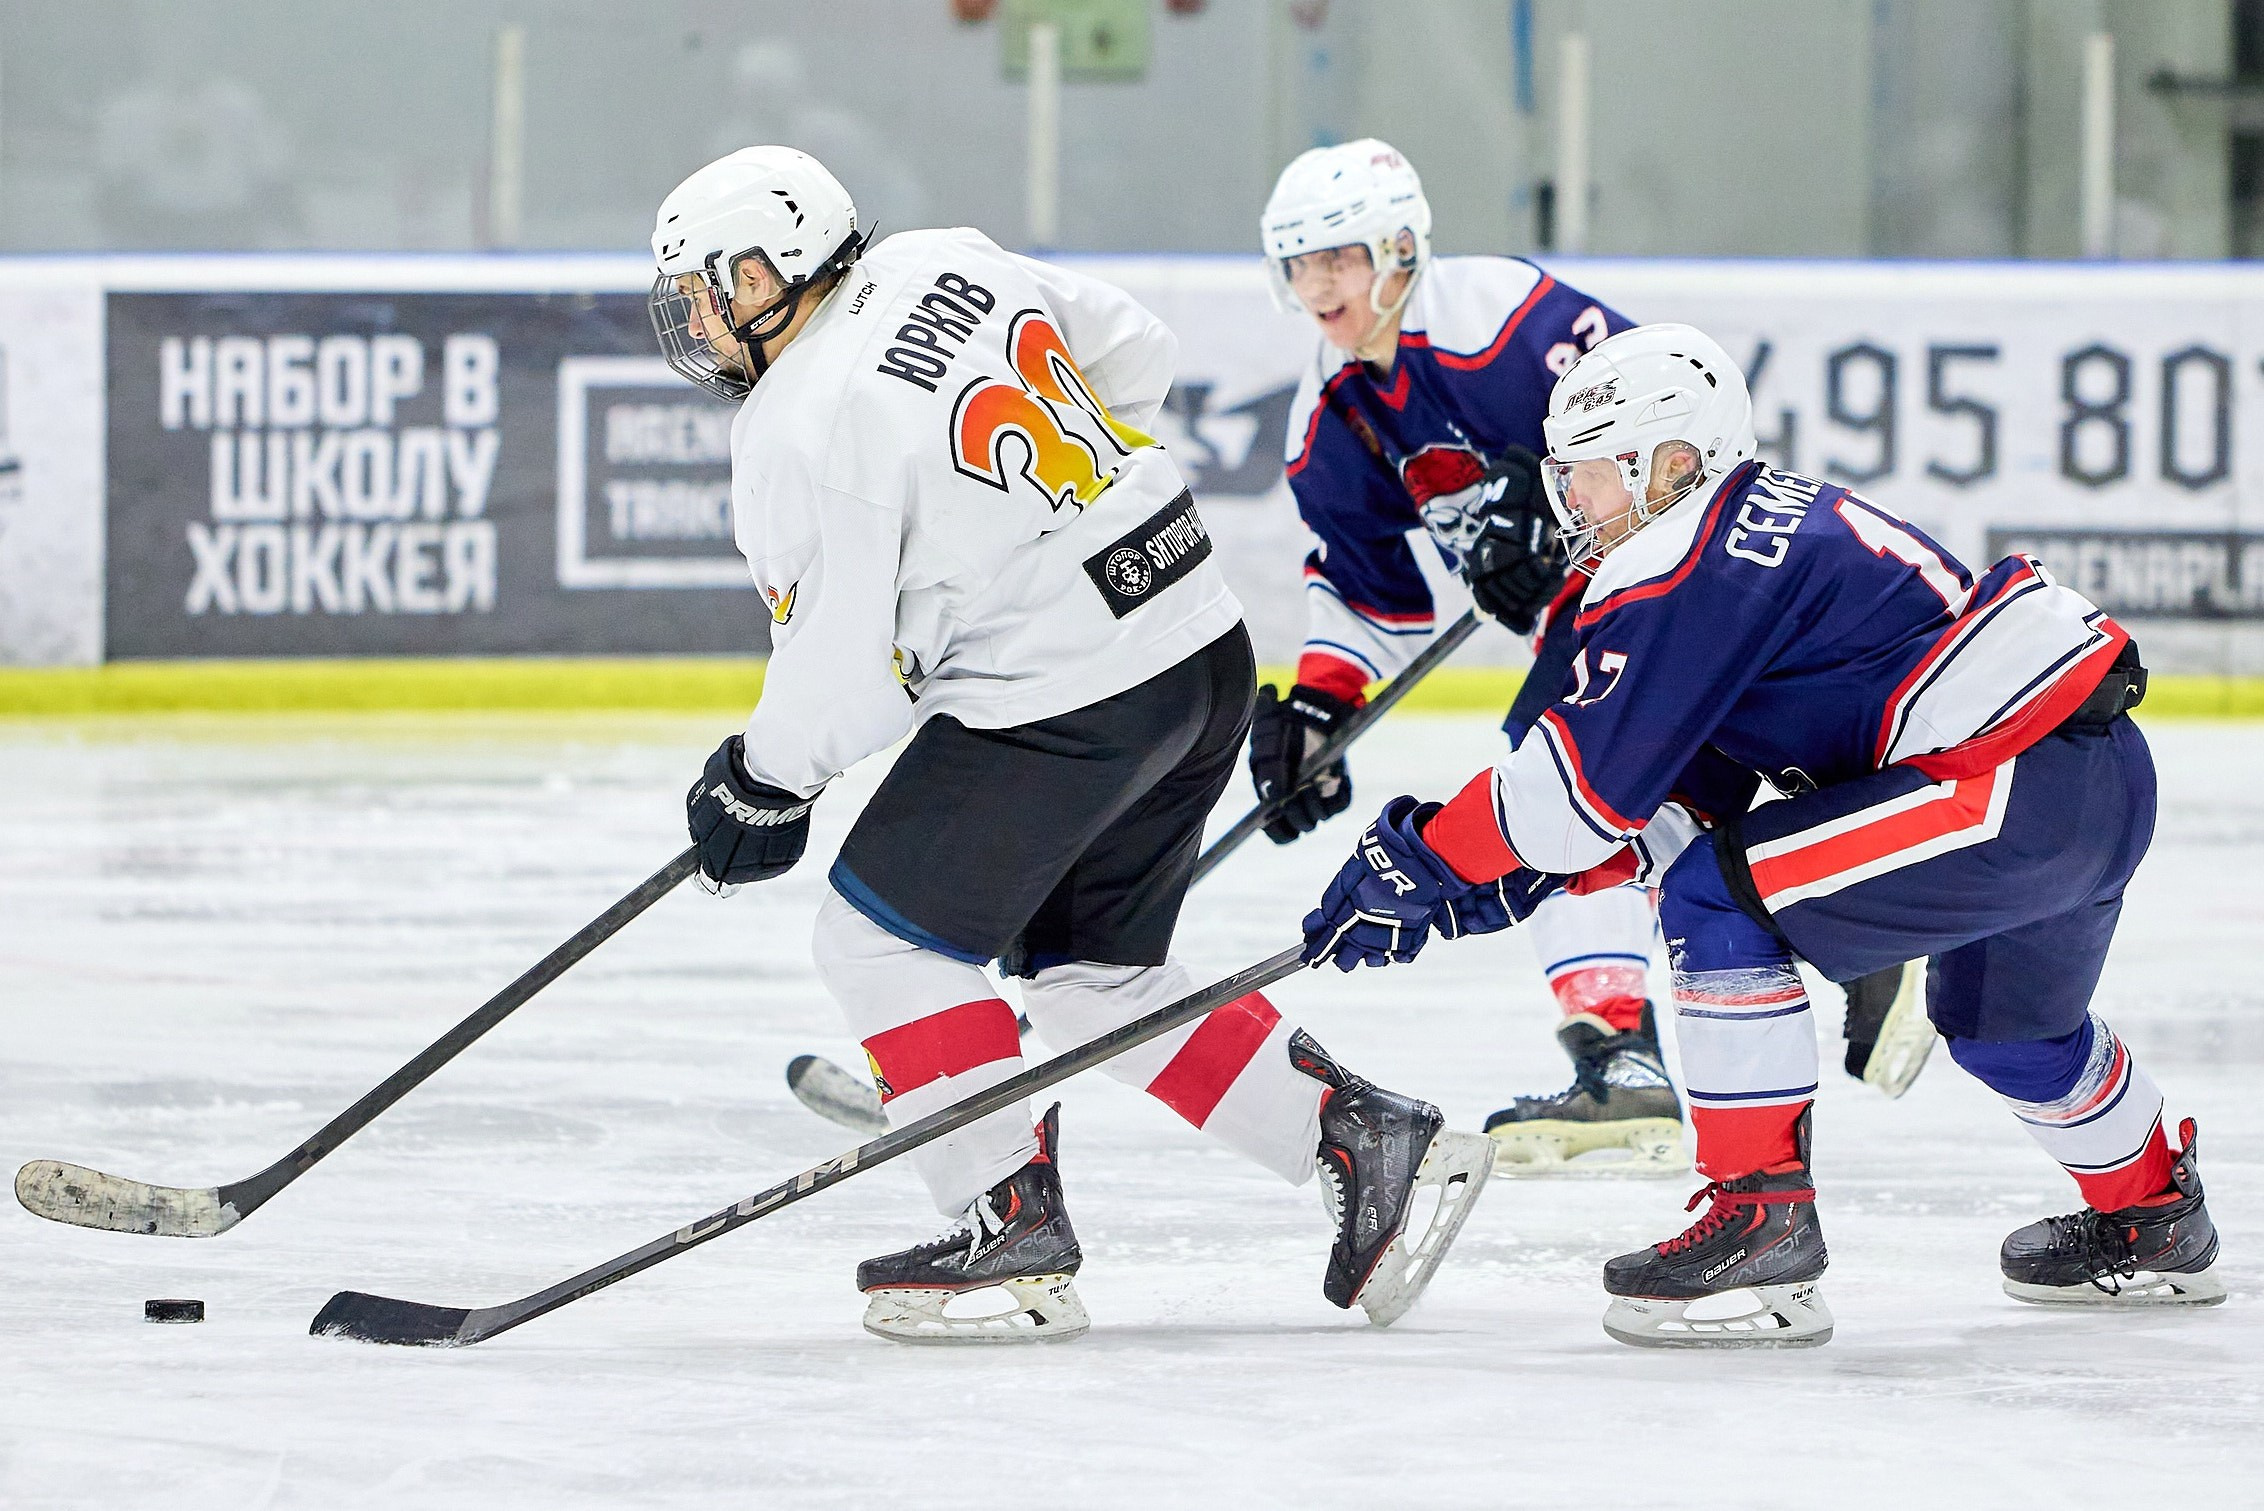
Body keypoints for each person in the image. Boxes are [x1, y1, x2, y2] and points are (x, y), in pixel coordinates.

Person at [652, 146, 1491, 1344]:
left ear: (766, 271)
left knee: (879, 941)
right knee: (1087, 973)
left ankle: (1007, 1220)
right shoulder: (940, 260)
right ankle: (1359, 1137)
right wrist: (1049, 528)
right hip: (1195, 640)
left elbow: (844, 676)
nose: (693, 319)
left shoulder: (794, 424)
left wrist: (761, 782)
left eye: (702, 290)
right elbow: (1136, 351)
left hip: (1066, 703)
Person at [1300, 321, 2222, 1347]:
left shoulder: (1683, 558)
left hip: (2000, 791)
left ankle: (1759, 1221)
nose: (1574, 506)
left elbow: (1573, 798)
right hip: (2083, 778)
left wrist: (1423, 854)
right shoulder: (1751, 528)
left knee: (1715, 898)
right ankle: (2154, 1215)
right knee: (2011, 1033)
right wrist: (1508, 881)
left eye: (1593, 477)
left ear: (1673, 461)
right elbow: (1689, 794)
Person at [1253, 139, 1681, 1174]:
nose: (1316, 285)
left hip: (1678, 591)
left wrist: (1549, 510)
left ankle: (1633, 1051)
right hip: (1588, 630)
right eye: (1297, 263)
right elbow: (1367, 586)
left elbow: (1673, 427)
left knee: (1563, 792)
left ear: (1399, 249)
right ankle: (1625, 1054)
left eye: (1339, 258)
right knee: (1588, 804)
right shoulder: (1335, 406)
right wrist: (1318, 705)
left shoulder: (1503, 321)